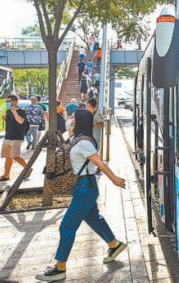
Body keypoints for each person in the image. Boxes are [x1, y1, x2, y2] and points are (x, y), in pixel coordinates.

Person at [35, 109, 127, 282]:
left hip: (85, 188)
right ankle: (114, 245)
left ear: (80, 121)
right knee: (94, 218)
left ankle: (60, 267)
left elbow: (100, 163)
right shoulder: (75, 138)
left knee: (67, 227)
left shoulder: (84, 143)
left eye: (74, 118)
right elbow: (69, 131)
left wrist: (114, 179)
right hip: (80, 187)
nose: (71, 120)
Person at [0, 95, 30, 181]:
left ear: (16, 101)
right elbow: (11, 122)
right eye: (7, 102)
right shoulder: (8, 111)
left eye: (9, 101)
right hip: (8, 136)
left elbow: (20, 121)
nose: (8, 103)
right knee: (7, 156)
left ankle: (28, 169)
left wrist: (14, 112)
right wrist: (5, 119)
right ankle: (6, 175)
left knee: (15, 156)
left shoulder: (22, 111)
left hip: (17, 137)